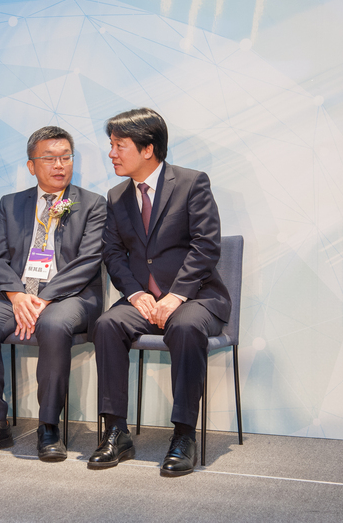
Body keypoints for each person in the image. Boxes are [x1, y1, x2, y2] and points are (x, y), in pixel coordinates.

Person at [88, 108, 231, 476]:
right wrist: (136, 294)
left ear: (147, 148)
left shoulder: (191, 183)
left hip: (195, 297)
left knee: (185, 327)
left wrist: (176, 294)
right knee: (107, 325)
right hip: (143, 299)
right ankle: (116, 432)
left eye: (119, 145)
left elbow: (206, 245)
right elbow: (112, 253)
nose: (112, 154)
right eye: (111, 145)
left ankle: (183, 435)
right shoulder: (117, 195)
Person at [0, 126, 106, 462]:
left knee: (53, 324)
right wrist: (17, 295)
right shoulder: (10, 204)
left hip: (72, 296)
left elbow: (88, 261)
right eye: (50, 158)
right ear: (31, 165)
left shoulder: (92, 204)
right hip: (17, 295)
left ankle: (48, 426)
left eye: (65, 157)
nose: (59, 165)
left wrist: (44, 297)